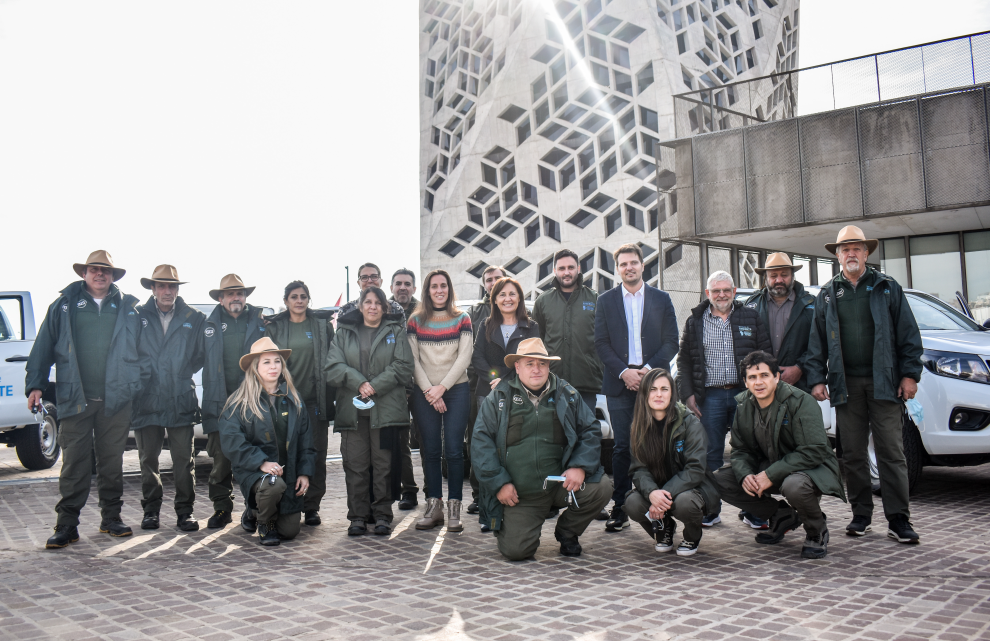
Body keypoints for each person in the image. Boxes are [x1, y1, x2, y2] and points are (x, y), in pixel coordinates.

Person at [806, 225, 924, 544]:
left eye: (856, 248)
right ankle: (861, 515)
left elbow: (909, 335)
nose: (851, 254)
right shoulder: (829, 294)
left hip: (885, 383)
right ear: (838, 256)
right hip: (846, 385)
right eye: (845, 250)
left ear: (866, 253)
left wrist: (910, 374)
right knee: (854, 454)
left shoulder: (887, 287)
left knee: (891, 451)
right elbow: (815, 342)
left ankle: (899, 518)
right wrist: (816, 378)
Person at [27, 250, 143, 548]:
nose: (100, 274)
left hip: (116, 399)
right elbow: (43, 345)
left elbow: (145, 351)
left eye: (106, 270)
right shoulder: (64, 305)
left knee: (111, 462)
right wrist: (36, 385)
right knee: (75, 463)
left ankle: (111, 518)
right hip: (76, 397)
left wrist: (136, 383)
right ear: (84, 273)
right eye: (94, 269)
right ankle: (67, 524)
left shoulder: (129, 308)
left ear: (113, 275)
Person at [472, 338, 612, 560]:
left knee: (602, 487)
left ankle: (568, 532)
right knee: (516, 552)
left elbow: (590, 430)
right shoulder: (498, 398)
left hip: (560, 485)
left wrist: (579, 467)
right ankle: (515, 525)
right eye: (529, 364)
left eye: (542, 363)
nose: (536, 369)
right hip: (520, 494)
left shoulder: (567, 394)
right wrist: (499, 483)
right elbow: (481, 443)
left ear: (549, 366)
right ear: (517, 367)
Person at [715, 351, 846, 559]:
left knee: (793, 486)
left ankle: (816, 530)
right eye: (752, 377)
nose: (759, 382)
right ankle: (780, 515)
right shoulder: (744, 405)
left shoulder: (801, 401)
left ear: (776, 377)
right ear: (745, 382)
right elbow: (741, 450)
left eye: (764, 376)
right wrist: (745, 474)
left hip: (811, 469)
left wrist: (770, 475)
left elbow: (814, 450)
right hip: (773, 465)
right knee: (720, 480)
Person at [594, 243, 679, 533]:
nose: (629, 267)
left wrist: (648, 372)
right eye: (623, 264)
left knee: (658, 444)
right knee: (622, 447)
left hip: (654, 384)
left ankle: (661, 505)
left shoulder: (661, 298)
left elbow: (671, 341)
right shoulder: (605, 301)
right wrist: (624, 372)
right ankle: (620, 507)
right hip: (620, 384)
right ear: (617, 269)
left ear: (643, 265)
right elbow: (600, 344)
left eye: (633, 262)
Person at [677, 270, 771, 528]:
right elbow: (684, 361)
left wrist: (760, 393)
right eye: (716, 290)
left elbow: (765, 355)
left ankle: (754, 511)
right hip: (710, 397)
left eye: (726, 290)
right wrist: (687, 395)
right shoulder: (695, 321)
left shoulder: (750, 317)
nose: (721, 295)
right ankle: (711, 508)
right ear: (707, 293)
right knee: (710, 454)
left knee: (751, 452)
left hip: (746, 396)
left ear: (734, 291)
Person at [325, 286, 414, 536]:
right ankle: (358, 517)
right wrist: (359, 382)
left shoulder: (395, 331)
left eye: (377, 302)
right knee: (355, 465)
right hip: (352, 413)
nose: (372, 306)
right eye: (368, 302)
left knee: (383, 464)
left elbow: (404, 366)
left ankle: (383, 515)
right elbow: (332, 367)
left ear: (385, 307)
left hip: (386, 412)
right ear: (360, 305)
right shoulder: (343, 332)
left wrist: (374, 385)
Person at [218, 338, 315, 546]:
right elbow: (231, 441)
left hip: (287, 473)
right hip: (254, 471)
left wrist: (304, 472)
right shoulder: (239, 402)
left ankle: (254, 511)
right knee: (272, 485)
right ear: (254, 368)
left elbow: (306, 441)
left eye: (277, 361)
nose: (273, 367)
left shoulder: (294, 400)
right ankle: (264, 522)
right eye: (266, 362)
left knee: (289, 531)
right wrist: (261, 463)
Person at [132, 265, 206, 532]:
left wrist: (180, 371)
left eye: (172, 286)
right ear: (152, 288)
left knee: (183, 462)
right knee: (147, 460)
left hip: (179, 397)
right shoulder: (136, 315)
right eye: (161, 286)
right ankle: (151, 511)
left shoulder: (194, 317)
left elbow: (199, 355)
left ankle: (185, 512)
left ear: (177, 289)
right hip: (146, 399)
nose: (167, 291)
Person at [622, 369, 719, 557]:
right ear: (644, 394)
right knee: (632, 503)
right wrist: (652, 494)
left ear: (672, 393)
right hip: (658, 488)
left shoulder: (690, 423)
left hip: (691, 489)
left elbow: (695, 469)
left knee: (684, 503)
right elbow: (638, 469)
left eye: (664, 389)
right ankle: (664, 528)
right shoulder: (638, 426)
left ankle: (692, 535)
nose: (659, 394)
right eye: (653, 389)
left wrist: (662, 495)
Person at [407, 269, 474, 531]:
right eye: (434, 286)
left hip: (456, 390)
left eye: (443, 286)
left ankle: (454, 508)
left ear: (449, 289)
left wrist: (442, 388)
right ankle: (434, 506)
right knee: (431, 451)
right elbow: (413, 360)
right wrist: (429, 391)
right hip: (425, 393)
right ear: (427, 290)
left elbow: (464, 357)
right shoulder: (415, 321)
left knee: (455, 451)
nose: (439, 290)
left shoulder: (462, 319)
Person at [264, 281, 335, 527]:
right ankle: (287, 503)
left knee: (316, 455)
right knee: (287, 454)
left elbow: (332, 359)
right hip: (286, 401)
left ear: (308, 299)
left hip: (315, 401)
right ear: (286, 301)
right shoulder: (275, 328)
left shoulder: (321, 326)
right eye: (294, 297)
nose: (299, 301)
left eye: (304, 296)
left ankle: (312, 506)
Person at [201, 273, 268, 531]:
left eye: (240, 293)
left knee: (255, 457)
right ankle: (221, 508)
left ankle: (254, 509)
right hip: (219, 404)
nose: (236, 298)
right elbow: (194, 358)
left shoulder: (260, 321)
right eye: (230, 294)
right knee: (220, 461)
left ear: (245, 297)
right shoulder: (208, 326)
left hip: (253, 403)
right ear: (221, 298)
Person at [532, 249, 603, 413]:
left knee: (586, 433)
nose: (567, 272)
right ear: (555, 271)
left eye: (571, 267)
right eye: (562, 268)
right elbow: (538, 339)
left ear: (578, 269)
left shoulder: (594, 299)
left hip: (587, 381)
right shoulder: (543, 301)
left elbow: (603, 339)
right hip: (552, 382)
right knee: (555, 435)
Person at [464, 264, 506, 518]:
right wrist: (492, 378)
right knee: (478, 441)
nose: (492, 283)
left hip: (510, 385)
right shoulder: (474, 313)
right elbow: (472, 352)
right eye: (488, 279)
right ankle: (479, 495)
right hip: (477, 386)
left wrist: (502, 378)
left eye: (497, 278)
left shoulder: (517, 310)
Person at [743, 253, 816, 392]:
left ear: (793, 276)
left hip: (800, 386)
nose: (779, 280)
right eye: (773, 276)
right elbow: (744, 345)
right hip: (761, 386)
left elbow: (818, 343)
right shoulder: (751, 305)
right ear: (766, 277)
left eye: (784, 275)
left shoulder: (811, 305)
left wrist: (799, 368)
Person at [471, 276, 540, 399]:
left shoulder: (531, 327)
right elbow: (477, 356)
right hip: (488, 390)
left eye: (512, 294)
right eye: (502, 294)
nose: (507, 299)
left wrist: (506, 381)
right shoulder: (485, 325)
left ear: (519, 298)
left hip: (521, 391)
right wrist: (494, 379)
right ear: (495, 300)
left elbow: (531, 360)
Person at [390, 268, 424, 511]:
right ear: (391, 287)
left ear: (414, 287)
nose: (403, 287)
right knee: (400, 442)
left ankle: (434, 496)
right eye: (398, 283)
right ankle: (408, 491)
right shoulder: (384, 310)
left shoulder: (424, 311)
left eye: (407, 283)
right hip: (396, 388)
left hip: (424, 386)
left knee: (428, 441)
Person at [336, 262, 407, 321]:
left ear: (381, 281)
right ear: (358, 283)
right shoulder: (346, 310)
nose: (369, 281)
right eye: (364, 277)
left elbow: (401, 336)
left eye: (374, 276)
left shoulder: (395, 308)